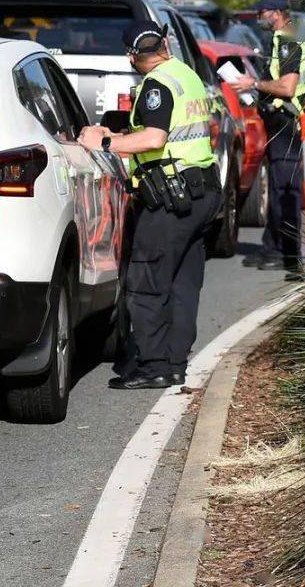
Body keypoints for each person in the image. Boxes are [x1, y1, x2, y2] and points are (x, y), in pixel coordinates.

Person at [78, 21, 222, 390]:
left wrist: (104, 144)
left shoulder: (156, 85)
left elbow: (156, 136)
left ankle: (153, 365)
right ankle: (173, 363)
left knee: (147, 281)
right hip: (201, 191)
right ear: (166, 42)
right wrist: (118, 135)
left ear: (131, 56)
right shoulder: (185, 75)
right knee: (183, 283)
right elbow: (168, 133)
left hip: (171, 199)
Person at [228, 0, 305, 276]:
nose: (258, 17)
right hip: (286, 122)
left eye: (262, 12)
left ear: (277, 13)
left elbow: (288, 87)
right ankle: (272, 246)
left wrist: (253, 85)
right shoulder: (287, 36)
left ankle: (288, 253)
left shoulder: (289, 40)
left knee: (286, 189)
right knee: (280, 188)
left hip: (291, 123)